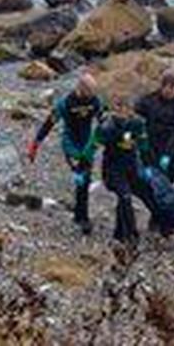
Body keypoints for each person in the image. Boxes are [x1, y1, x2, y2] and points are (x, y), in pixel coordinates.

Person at [27, 71, 107, 234]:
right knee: (82, 176)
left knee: (85, 178)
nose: (91, 96)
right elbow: (49, 123)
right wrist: (36, 143)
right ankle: (83, 218)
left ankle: (79, 214)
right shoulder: (65, 103)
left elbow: (103, 120)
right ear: (80, 88)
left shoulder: (95, 101)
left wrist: (106, 137)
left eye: (93, 93)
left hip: (87, 144)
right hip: (70, 145)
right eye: (89, 92)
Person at [97, 94, 154, 244]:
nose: (122, 111)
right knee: (125, 197)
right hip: (112, 169)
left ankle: (119, 234)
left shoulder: (137, 124)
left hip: (131, 168)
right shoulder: (108, 125)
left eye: (125, 108)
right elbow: (93, 145)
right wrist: (81, 167)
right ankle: (131, 235)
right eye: (118, 107)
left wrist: (148, 166)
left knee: (135, 198)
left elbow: (144, 146)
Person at [136, 73, 174, 183]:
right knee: (149, 181)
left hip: (172, 146)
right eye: (166, 87)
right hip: (152, 145)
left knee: (167, 181)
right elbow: (136, 112)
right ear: (161, 87)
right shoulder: (150, 100)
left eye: (172, 88)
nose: (168, 91)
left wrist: (168, 154)